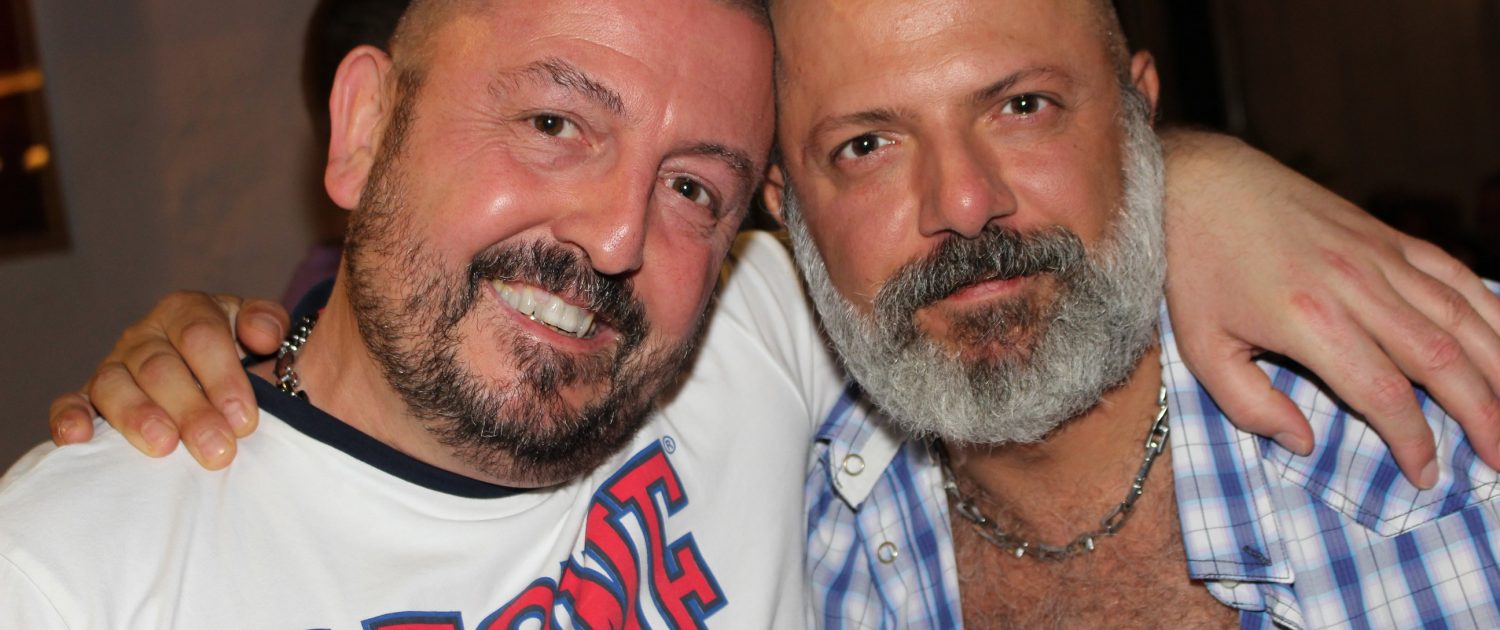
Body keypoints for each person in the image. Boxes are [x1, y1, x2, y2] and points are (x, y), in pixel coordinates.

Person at [23, 0, 1500, 626]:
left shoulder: (744, 347)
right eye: (554, 121)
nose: (617, 236)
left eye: (692, 185)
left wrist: (1200, 181)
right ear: (358, 129)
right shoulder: (72, 573)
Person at [758, 0, 1500, 626]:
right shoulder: (786, 539)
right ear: (784, 207)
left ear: (1138, 110)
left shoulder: (1466, 450)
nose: (964, 202)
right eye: (866, 146)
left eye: (1023, 107)